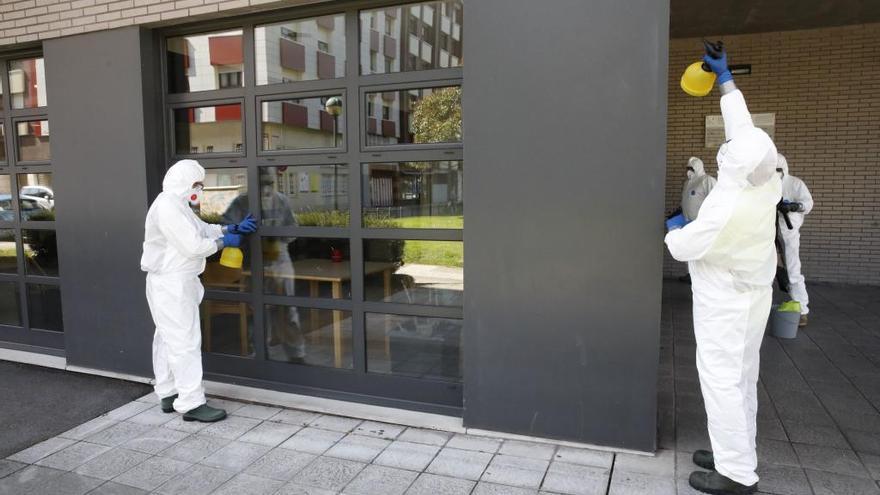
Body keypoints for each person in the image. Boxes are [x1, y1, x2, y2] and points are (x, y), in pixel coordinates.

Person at [665, 45, 781, 495]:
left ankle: (736, 474)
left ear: (729, 164)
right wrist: (726, 79)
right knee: (743, 374)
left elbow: (681, 246)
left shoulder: (724, 206)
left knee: (721, 379)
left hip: (725, 300)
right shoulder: (765, 177)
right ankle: (734, 449)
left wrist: (674, 226)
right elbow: (745, 132)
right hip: (754, 291)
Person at [141, 159, 257, 422]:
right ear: (185, 182)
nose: (200, 189)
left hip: (169, 281)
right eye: (198, 184)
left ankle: (169, 392)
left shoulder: (176, 204)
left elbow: (200, 229)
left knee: (167, 338)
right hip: (172, 283)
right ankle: (192, 403)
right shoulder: (168, 207)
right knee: (185, 341)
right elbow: (193, 245)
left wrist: (230, 228)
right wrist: (223, 242)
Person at [223, 168, 304, 363]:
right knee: (257, 309)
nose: (267, 188)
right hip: (254, 262)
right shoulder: (241, 202)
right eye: (262, 183)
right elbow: (225, 229)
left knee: (288, 308)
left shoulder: (282, 201)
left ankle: (296, 355)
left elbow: (293, 230)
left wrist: (279, 234)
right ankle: (259, 353)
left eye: (270, 183)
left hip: (280, 260)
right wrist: (240, 231)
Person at [776, 154, 813, 327]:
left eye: (777, 170)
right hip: (768, 234)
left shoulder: (795, 184)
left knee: (793, 271)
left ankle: (802, 310)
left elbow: (808, 203)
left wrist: (794, 206)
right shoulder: (765, 186)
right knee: (765, 270)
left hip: (789, 234)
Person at [678, 156, 717, 283]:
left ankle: (703, 276)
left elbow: (716, 201)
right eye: (687, 168)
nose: (688, 171)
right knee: (689, 250)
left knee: (701, 251)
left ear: (698, 168)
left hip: (701, 224)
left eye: (691, 168)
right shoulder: (687, 183)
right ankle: (690, 274)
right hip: (687, 223)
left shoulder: (707, 180)